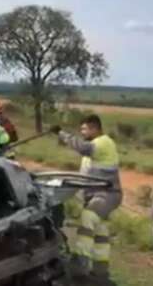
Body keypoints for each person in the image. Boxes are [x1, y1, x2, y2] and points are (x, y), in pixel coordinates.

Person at [51, 115, 121, 285]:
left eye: (84, 129)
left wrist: (61, 133)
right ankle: (100, 271)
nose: (82, 132)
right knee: (101, 233)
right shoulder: (92, 152)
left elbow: (82, 147)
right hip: (97, 194)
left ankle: (79, 262)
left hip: (107, 194)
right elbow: (85, 177)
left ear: (95, 128)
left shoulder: (103, 142)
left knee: (88, 216)